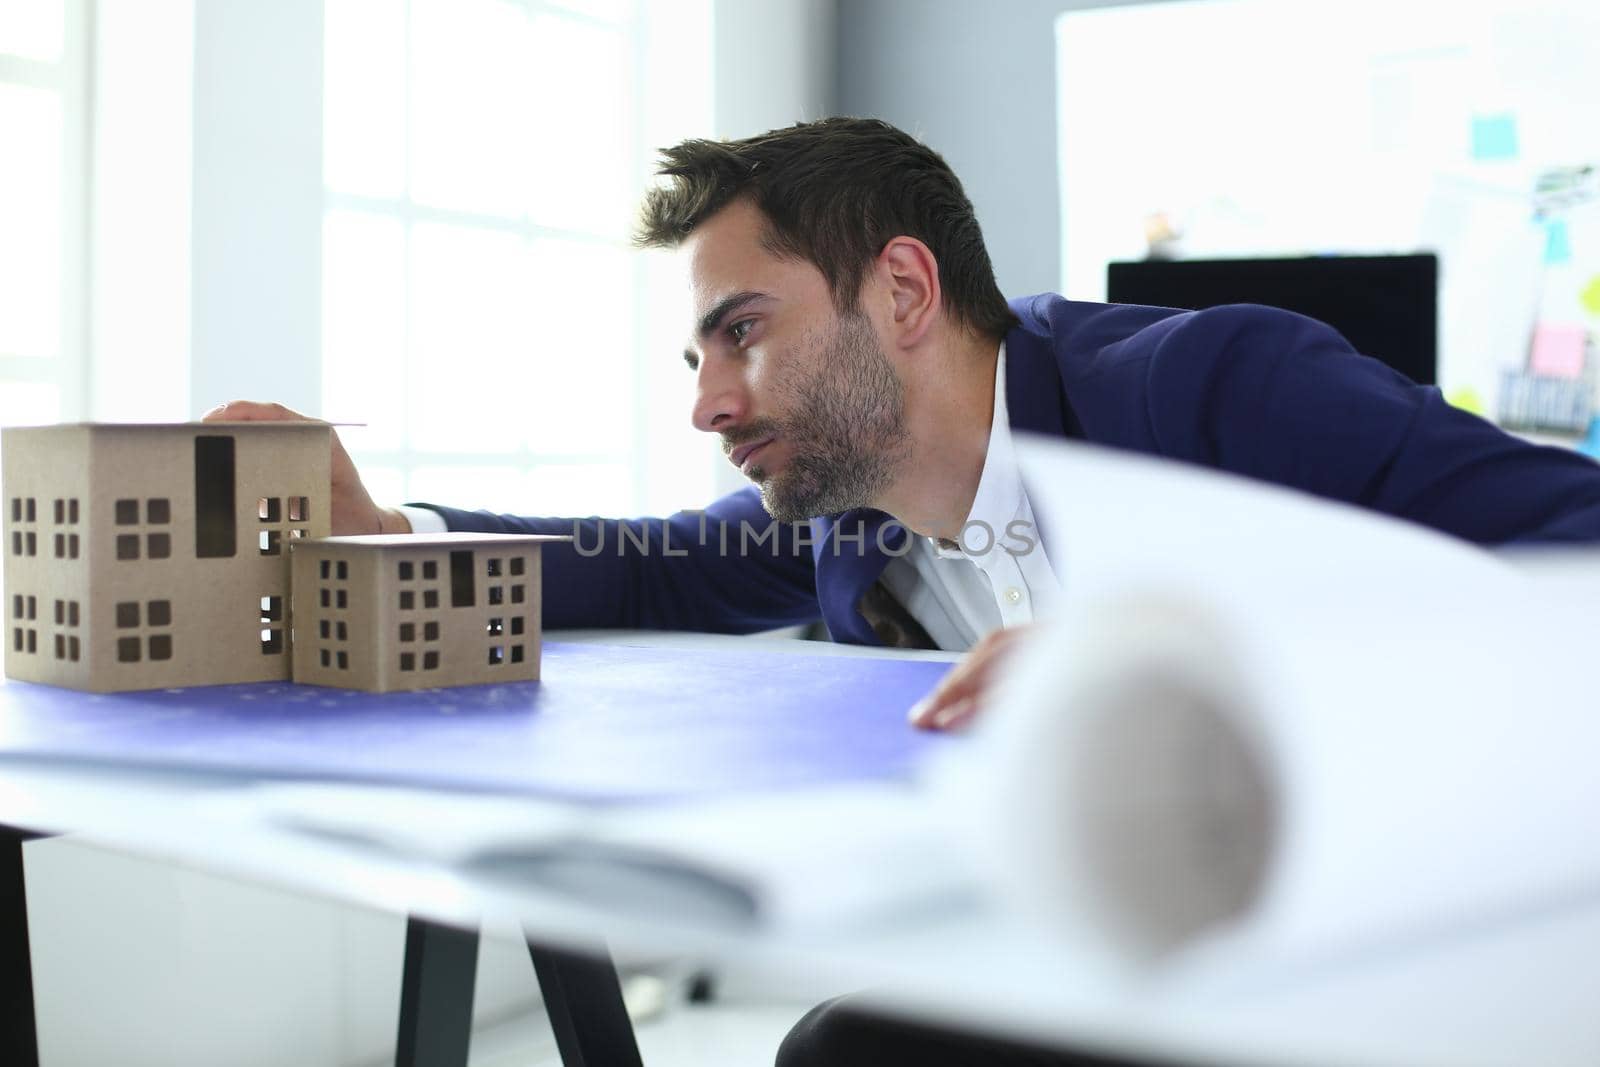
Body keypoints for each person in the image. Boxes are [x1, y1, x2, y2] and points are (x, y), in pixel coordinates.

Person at [209, 116, 1600, 1066]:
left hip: (1408, 960)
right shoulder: (850, 524)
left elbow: (1576, 551)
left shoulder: (1222, 386)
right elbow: (647, 562)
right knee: (842, 1052)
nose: (706, 403)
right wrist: (391, 532)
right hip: (1137, 964)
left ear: (905, 290)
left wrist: (1202, 654)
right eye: (697, 357)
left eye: (739, 335)